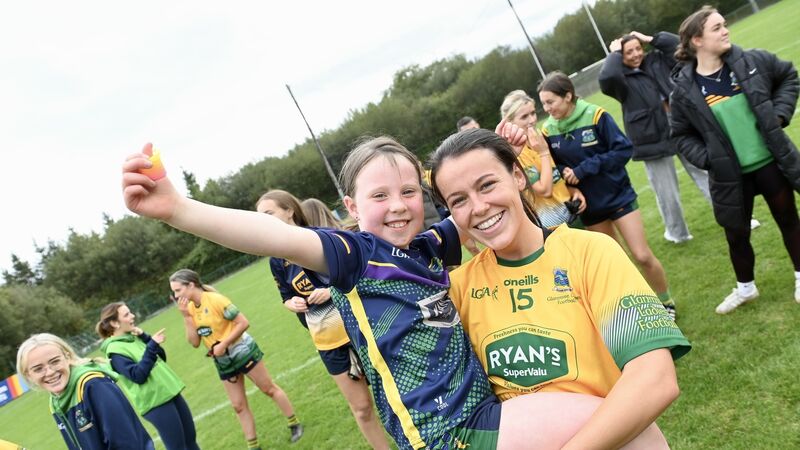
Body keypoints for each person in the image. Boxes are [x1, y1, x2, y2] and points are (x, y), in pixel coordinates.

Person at [123, 134, 662, 449]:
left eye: (408, 190)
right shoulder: (353, 255)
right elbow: (274, 235)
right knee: (628, 430)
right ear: (351, 208)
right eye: (379, 195)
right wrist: (180, 210)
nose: (399, 204)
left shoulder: (428, 247)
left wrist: (510, 156)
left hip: (482, 415)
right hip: (445, 433)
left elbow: (491, 210)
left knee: (634, 429)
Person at [429, 127, 689, 449]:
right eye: (459, 200)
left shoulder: (590, 252)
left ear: (518, 176)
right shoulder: (458, 289)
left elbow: (655, 379)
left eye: (487, 185)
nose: (479, 206)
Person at [670, 6, 800, 313]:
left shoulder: (752, 61)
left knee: (788, 220)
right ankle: (745, 289)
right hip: (730, 174)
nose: (726, 30)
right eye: (717, 28)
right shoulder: (684, 91)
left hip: (770, 162)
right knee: (736, 233)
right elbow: (680, 135)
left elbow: (788, 76)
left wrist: (779, 114)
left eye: (724, 25)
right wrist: (708, 158)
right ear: (697, 40)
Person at [538, 71, 678, 319]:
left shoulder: (596, 115)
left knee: (642, 255)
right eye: (544, 104)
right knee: (617, 264)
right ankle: (641, 309)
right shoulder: (548, 131)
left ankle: (666, 302)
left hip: (618, 196)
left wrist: (584, 169)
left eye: (551, 102)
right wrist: (570, 181)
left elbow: (623, 150)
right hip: (590, 207)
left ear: (568, 96)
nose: (547, 109)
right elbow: (553, 166)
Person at [257, 190, 390, 450]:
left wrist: (331, 290)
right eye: (259, 216)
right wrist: (291, 304)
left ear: (289, 211)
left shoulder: (322, 237)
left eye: (268, 214)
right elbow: (285, 295)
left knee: (392, 395)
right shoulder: (276, 260)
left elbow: (363, 273)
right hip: (328, 342)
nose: (262, 220)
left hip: (361, 330)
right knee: (362, 408)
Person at [599, 30, 715, 243]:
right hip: (651, 137)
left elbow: (680, 47)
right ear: (620, 57)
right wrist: (613, 54)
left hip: (682, 127)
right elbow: (607, 77)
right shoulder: (620, 80)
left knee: (707, 175)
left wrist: (652, 39)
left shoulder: (657, 61)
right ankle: (677, 234)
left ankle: (733, 216)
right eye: (628, 52)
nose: (635, 54)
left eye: (638, 49)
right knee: (666, 193)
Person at [168, 269, 303, 449]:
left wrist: (224, 343)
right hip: (222, 361)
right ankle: (253, 446)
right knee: (238, 405)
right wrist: (186, 317)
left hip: (242, 350)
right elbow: (194, 342)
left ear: (191, 285)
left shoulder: (216, 300)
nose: (176, 296)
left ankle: (294, 423)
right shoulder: (190, 308)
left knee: (268, 389)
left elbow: (243, 322)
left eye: (178, 290)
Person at [16, 333, 154, 450]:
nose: (50, 372)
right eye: (38, 369)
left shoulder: (94, 386)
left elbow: (127, 443)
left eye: (55, 361)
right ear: (28, 375)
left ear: (68, 357)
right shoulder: (55, 400)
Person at [96, 302, 200, 450]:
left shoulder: (133, 337)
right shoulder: (115, 350)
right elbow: (138, 375)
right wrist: (151, 345)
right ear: (114, 323)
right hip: (155, 402)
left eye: (130, 312)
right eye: (126, 314)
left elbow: (161, 357)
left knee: (190, 440)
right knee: (178, 447)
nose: (132, 316)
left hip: (169, 391)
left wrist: (146, 338)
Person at [500, 89, 586, 229]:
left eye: (533, 113)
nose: (532, 120)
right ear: (509, 122)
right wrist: (544, 152)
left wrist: (573, 191)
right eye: (524, 117)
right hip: (551, 225)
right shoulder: (517, 155)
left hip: (570, 213)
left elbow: (555, 176)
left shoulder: (538, 139)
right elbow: (544, 190)